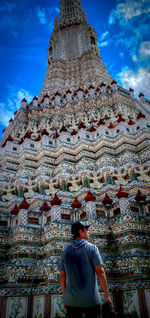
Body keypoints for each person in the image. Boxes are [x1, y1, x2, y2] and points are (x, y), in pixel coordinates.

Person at [59, 221, 113, 318]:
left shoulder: (65, 252)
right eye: (86, 230)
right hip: (91, 301)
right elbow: (100, 272)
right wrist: (107, 296)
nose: (88, 232)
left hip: (71, 301)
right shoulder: (92, 248)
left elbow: (62, 276)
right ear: (80, 231)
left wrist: (65, 298)